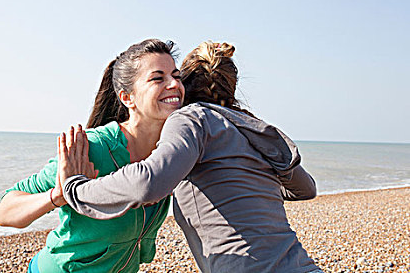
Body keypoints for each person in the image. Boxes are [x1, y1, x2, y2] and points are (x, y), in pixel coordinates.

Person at [60, 41, 322, 273]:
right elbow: (306, 188)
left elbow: (148, 182)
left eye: (176, 76)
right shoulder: (251, 127)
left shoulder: (190, 118)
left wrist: (77, 188)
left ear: (186, 81)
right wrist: (255, 187)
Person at [0, 39, 185, 272]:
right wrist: (60, 194)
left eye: (176, 76)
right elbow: (5, 212)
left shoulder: (172, 151)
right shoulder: (92, 148)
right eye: (158, 78)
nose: (174, 84)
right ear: (127, 97)